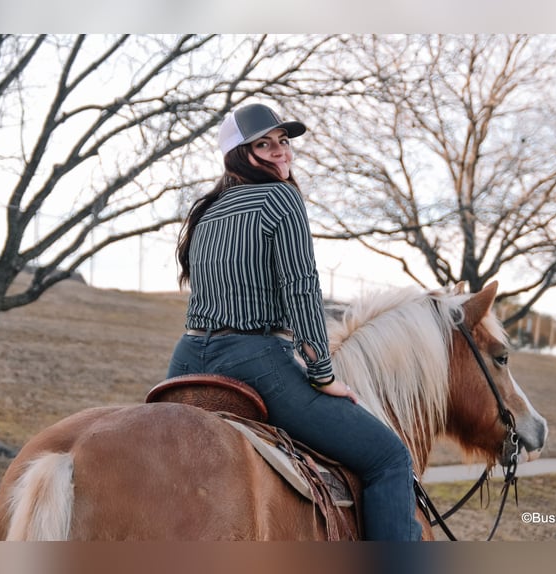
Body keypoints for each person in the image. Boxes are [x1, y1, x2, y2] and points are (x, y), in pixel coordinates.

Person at [167, 102, 421, 541]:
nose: (280, 151)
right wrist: (323, 374)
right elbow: (302, 289)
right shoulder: (281, 198)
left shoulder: (205, 209)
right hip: (255, 361)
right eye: (263, 143)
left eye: (283, 141)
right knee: (389, 459)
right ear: (237, 153)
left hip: (187, 359)